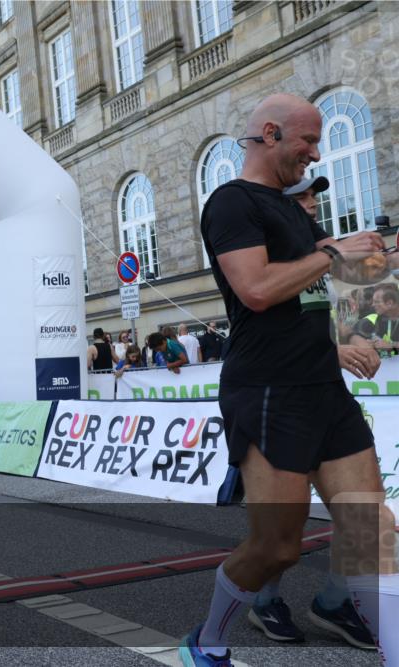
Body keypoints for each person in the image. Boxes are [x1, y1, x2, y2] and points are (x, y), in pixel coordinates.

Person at [181, 93, 396, 667]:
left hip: (325, 391)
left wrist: (359, 328)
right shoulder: (230, 203)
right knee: (276, 547)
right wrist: (332, 252)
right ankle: (206, 642)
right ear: (270, 134)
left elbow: (311, 301)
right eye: (308, 140)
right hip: (269, 390)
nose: (317, 153)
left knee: (373, 533)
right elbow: (256, 290)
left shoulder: (302, 221)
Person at [349, 284, 399, 357]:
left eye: (377, 302)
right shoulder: (371, 319)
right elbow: (350, 338)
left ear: (389, 303)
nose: (372, 305)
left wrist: (391, 346)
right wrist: (365, 344)